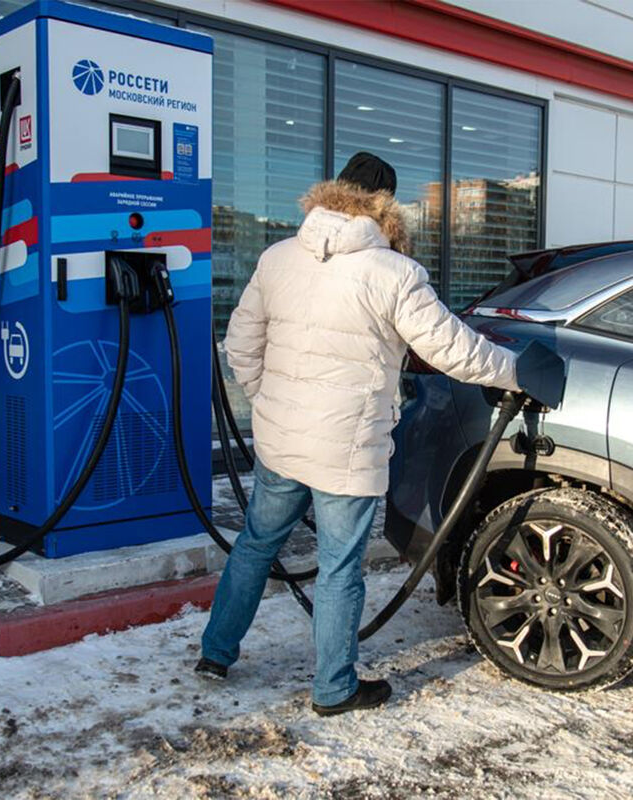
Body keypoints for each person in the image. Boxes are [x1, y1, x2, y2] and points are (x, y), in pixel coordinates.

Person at [198, 152, 523, 716]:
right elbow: (452, 349)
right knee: (339, 566)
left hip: (281, 441)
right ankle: (334, 688)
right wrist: (518, 370)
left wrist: (268, 402)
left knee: (255, 544)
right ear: (386, 206)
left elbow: (240, 344)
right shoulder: (392, 273)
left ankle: (216, 652)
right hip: (345, 453)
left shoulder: (277, 258)